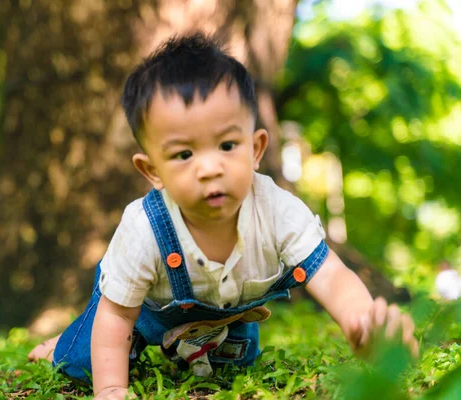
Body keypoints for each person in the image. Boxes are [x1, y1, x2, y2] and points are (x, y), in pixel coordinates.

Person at [29, 32, 418, 399]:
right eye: (184, 154)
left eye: (227, 145)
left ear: (256, 148)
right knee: (84, 361)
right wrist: (111, 390)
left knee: (231, 367)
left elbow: (331, 275)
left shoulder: (276, 210)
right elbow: (117, 315)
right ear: (153, 172)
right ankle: (58, 348)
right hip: (144, 309)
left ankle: (195, 346)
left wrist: (361, 322)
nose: (209, 168)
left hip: (228, 317)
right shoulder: (144, 227)